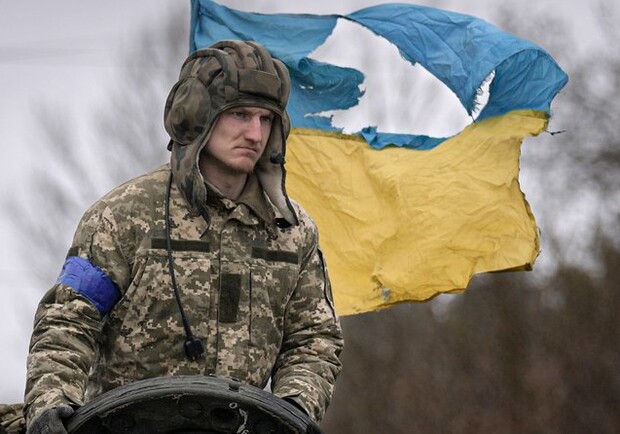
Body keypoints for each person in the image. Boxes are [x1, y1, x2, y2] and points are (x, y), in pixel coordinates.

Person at [21, 40, 344, 433]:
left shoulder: (292, 231)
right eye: (239, 114)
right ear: (196, 116)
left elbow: (314, 337)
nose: (255, 133)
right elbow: (70, 319)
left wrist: (295, 408)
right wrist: (52, 401)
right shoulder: (124, 216)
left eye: (266, 119)